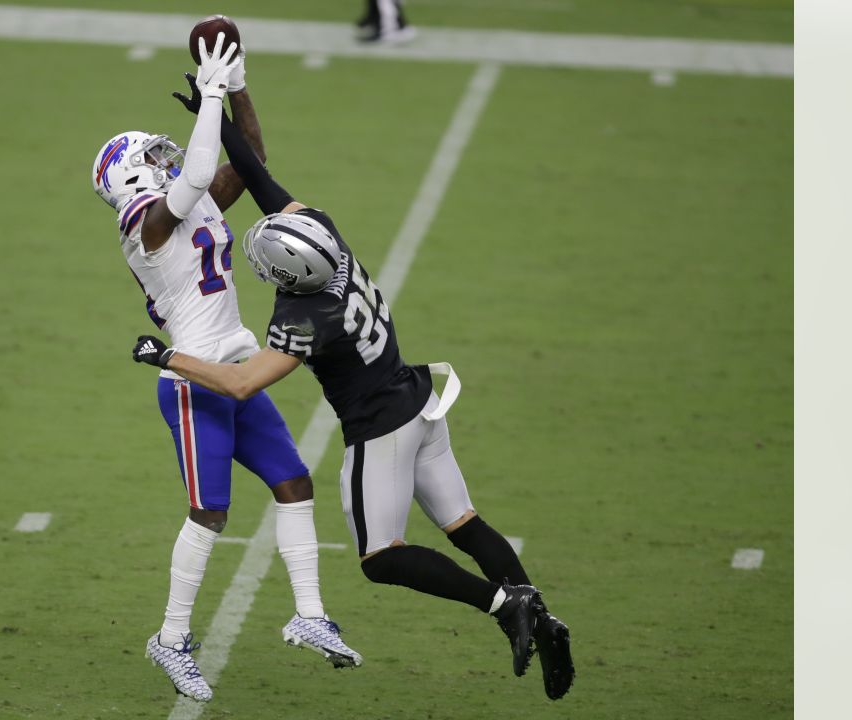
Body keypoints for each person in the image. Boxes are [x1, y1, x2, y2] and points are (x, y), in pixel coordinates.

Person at [130, 74, 576, 701]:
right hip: (420, 400)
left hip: (381, 430)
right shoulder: (326, 236)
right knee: (466, 524)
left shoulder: (301, 319)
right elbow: (261, 181)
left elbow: (236, 383)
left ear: (289, 277)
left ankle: (505, 607)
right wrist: (223, 111)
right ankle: (542, 616)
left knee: (381, 558)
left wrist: (166, 355)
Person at [92, 35, 362, 703]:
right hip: (191, 385)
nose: (166, 156)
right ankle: (172, 639)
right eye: (151, 156)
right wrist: (208, 95)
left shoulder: (193, 199)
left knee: (294, 482)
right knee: (210, 511)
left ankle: (309, 615)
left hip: (233, 366)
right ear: (131, 176)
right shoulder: (146, 226)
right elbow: (194, 174)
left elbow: (251, 154)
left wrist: (237, 85)